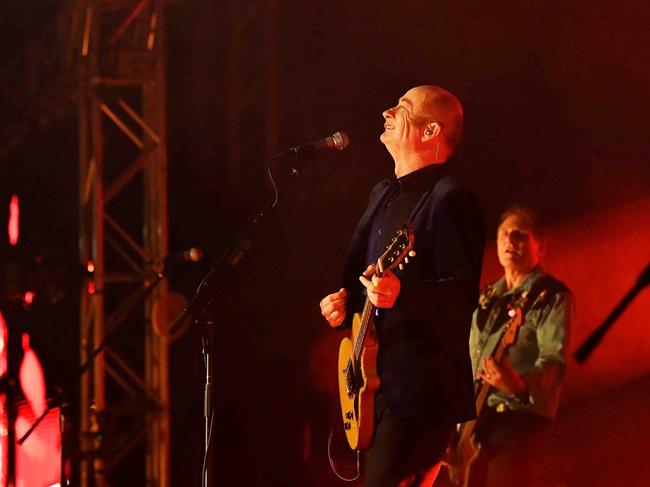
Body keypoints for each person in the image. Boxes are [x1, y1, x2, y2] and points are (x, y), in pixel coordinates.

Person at [319, 85, 485, 486]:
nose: (387, 111)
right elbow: (361, 279)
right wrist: (342, 304)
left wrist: (404, 294)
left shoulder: (449, 198)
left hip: (420, 394)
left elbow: (463, 296)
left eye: (403, 107)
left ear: (429, 132)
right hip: (375, 388)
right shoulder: (382, 194)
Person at [467, 205, 573, 486]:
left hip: (520, 422)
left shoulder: (551, 295)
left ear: (541, 248)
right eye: (504, 234)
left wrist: (519, 384)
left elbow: (554, 361)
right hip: (476, 426)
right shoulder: (487, 297)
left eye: (520, 235)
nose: (509, 241)